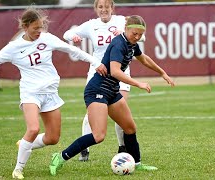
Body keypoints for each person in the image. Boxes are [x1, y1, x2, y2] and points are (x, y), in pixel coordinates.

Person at [0, 6, 107, 179]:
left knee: (53, 138)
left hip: (50, 92)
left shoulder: (47, 38)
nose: (39, 31)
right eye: (35, 28)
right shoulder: (14, 47)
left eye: (41, 27)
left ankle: (25, 145)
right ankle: (18, 169)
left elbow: (73, 50)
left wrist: (95, 62)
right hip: (30, 93)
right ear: (25, 27)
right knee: (33, 129)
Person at [49, 15, 175, 176]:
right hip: (97, 90)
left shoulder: (131, 43)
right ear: (126, 29)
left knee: (129, 128)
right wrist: (139, 83)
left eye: (139, 35)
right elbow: (115, 72)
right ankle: (60, 156)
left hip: (112, 91)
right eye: (134, 34)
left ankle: (136, 162)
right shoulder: (118, 44)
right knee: (98, 135)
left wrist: (162, 72)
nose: (137, 37)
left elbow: (144, 59)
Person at [63, 0, 145, 161]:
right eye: (100, 7)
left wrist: (124, 32)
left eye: (107, 7)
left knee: (122, 115)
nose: (104, 10)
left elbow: (139, 32)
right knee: (91, 116)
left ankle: (123, 149)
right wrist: (73, 36)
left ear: (112, 8)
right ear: (96, 9)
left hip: (120, 74)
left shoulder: (122, 20)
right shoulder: (91, 25)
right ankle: (84, 150)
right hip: (98, 73)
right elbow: (66, 34)